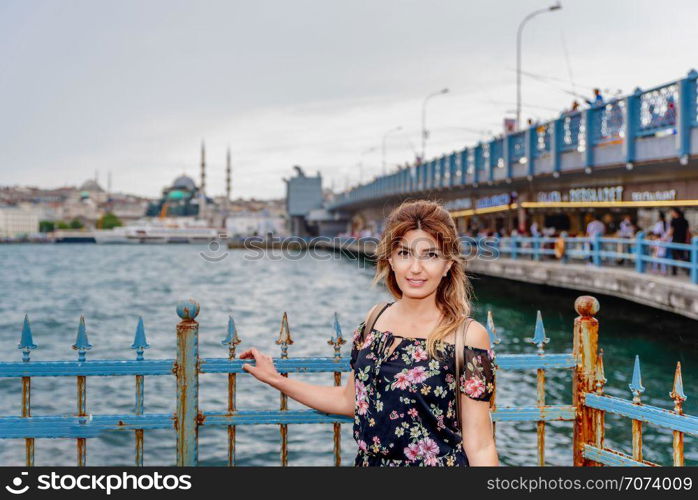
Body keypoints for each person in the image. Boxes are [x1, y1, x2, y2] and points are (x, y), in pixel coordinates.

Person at [239, 200, 498, 467]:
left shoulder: (467, 336)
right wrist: (277, 380)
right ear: (390, 260)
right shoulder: (375, 320)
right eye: (404, 253)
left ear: (447, 265)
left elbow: (480, 444)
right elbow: (348, 400)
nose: (415, 268)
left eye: (430, 255)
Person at [667, 207, 689, 276]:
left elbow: (671, 232)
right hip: (683, 241)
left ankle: (674, 272)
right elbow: (687, 232)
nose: (671, 213)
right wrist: (687, 240)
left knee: (674, 257)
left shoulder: (673, 221)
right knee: (682, 256)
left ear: (675, 212)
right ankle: (687, 270)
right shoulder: (685, 221)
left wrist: (664, 238)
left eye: (672, 212)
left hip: (675, 241)